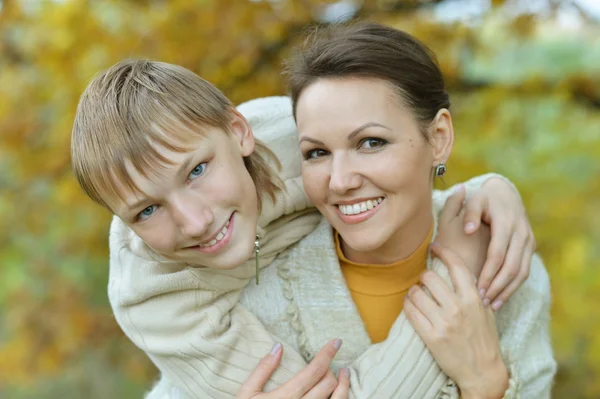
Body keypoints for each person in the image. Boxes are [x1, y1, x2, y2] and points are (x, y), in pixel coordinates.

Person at [70, 55, 539, 398]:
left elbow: (401, 162)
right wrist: (456, 266)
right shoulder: (156, 299)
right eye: (146, 211)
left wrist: (486, 190)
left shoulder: (292, 133)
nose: (194, 222)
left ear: (239, 132)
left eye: (196, 171)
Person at [251, 20, 554, 397]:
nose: (340, 181)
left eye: (371, 142)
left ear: (439, 138)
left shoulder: (503, 268)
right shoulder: (258, 283)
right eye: (317, 152)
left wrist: (487, 384)